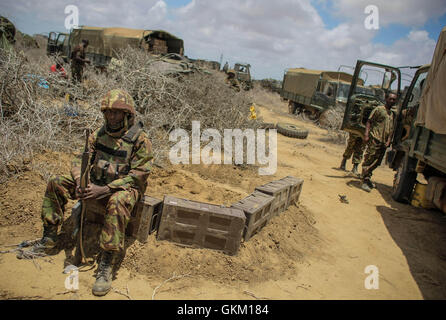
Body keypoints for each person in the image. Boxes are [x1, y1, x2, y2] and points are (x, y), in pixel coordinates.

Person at [23, 89, 154, 296]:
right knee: (56, 182)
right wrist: (79, 180)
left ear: (127, 115)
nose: (112, 117)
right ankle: (49, 239)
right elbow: (78, 159)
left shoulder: (140, 140)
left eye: (117, 113)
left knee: (118, 201)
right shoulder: (99, 134)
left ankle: (106, 263)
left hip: (122, 188)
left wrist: (104, 189)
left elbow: (139, 175)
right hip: (95, 183)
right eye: (108, 112)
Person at [360, 92, 397, 192]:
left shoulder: (392, 114)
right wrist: (366, 134)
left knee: (377, 162)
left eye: (394, 100)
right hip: (375, 139)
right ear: (386, 99)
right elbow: (369, 121)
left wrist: (389, 140)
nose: (392, 101)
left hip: (383, 142)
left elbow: (391, 129)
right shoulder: (379, 109)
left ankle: (368, 178)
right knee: (369, 159)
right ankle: (364, 180)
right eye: (391, 99)